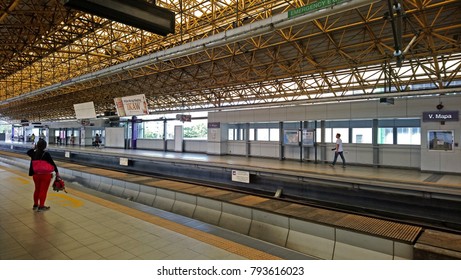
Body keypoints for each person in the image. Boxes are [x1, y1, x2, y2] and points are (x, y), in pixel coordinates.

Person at [27, 139, 59, 212]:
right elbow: (52, 163)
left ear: (37, 145)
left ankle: (35, 205)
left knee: (37, 190)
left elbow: (28, 152)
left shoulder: (34, 153)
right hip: (45, 175)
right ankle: (41, 206)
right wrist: (57, 172)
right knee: (43, 190)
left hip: (36, 175)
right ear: (45, 146)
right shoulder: (46, 154)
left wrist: (34, 148)